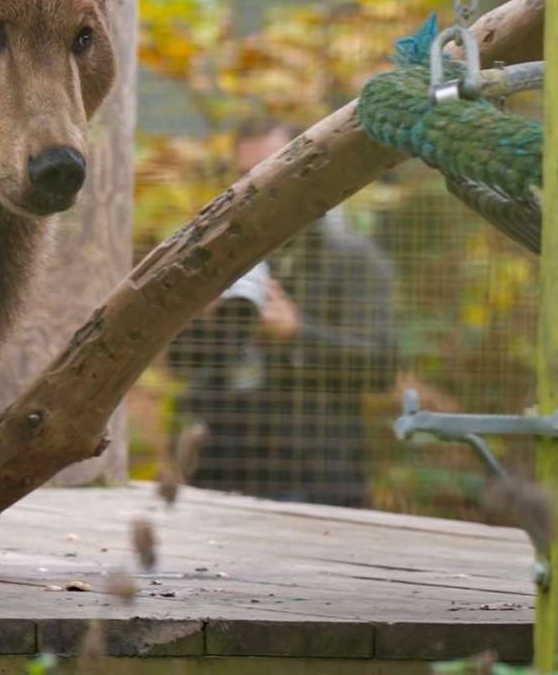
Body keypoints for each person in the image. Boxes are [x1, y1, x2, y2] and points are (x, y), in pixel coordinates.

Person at [168, 118, 398, 507]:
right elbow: (179, 362)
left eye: (272, 170)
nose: (256, 185)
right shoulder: (220, 249)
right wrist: (198, 314)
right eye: (245, 174)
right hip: (221, 471)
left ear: (305, 173)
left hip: (314, 475)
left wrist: (296, 332)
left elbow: (382, 367)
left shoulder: (351, 257)